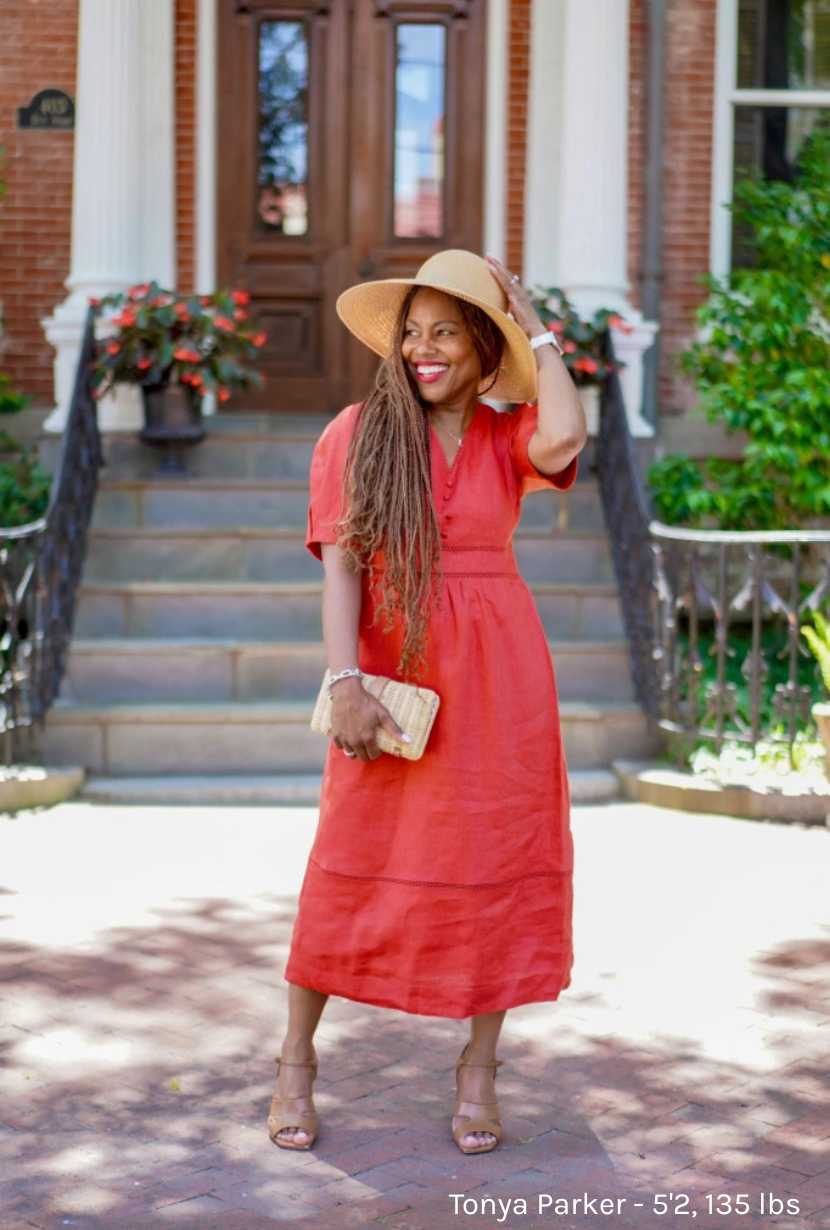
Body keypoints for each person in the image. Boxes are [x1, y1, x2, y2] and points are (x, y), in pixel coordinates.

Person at [268, 249, 587, 1156]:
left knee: (495, 854)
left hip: (501, 680)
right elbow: (340, 567)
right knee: (347, 862)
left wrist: (538, 328)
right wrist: (344, 681)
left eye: (445, 332)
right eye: (412, 333)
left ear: (486, 348)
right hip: (391, 676)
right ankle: (296, 1060)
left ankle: (478, 1071)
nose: (423, 349)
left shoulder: (502, 433)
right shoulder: (356, 433)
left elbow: (564, 437)